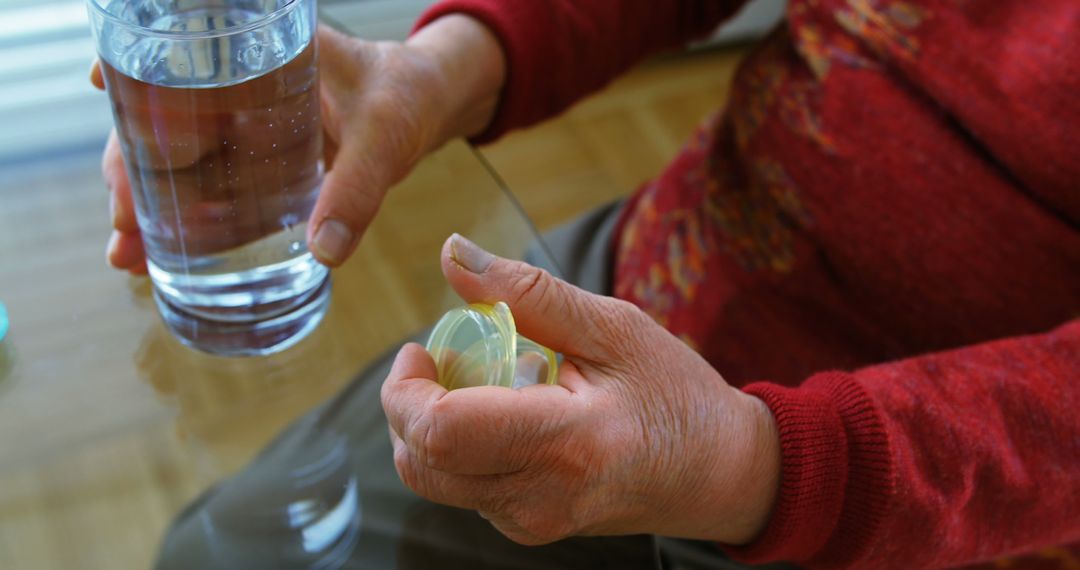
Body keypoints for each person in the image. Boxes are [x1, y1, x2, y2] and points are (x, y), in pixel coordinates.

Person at [93, 1, 1080, 568]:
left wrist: (754, 465)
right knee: (218, 556)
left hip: (916, 499)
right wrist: (438, 69)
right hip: (659, 276)